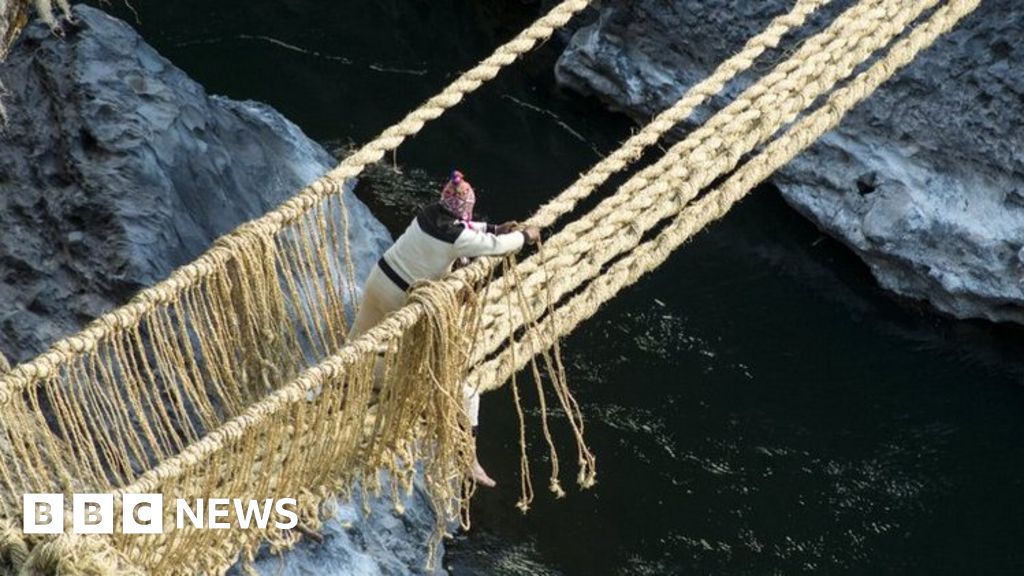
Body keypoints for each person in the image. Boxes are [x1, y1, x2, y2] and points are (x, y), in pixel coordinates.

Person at [348, 170, 540, 487]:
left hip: (379, 280)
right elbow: (492, 245)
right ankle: (469, 458)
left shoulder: (427, 215)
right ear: (465, 209)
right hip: (404, 301)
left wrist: (493, 227)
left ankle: (341, 388)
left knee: (357, 344)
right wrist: (525, 236)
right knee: (461, 387)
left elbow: (469, 229)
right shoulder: (457, 237)